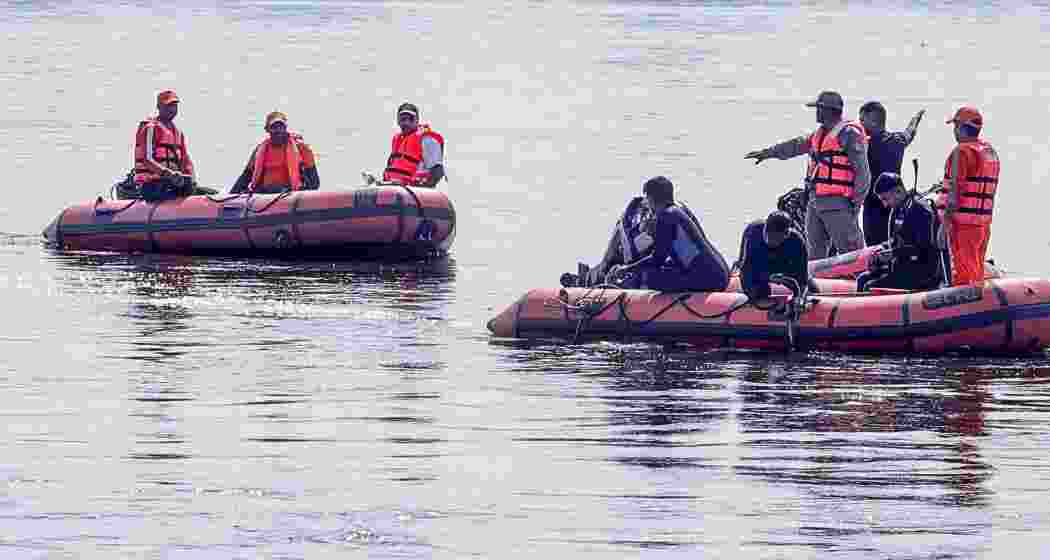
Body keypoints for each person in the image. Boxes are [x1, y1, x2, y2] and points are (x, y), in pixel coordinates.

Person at [745, 90, 871, 259]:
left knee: (851, 250)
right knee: (814, 254)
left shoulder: (849, 134)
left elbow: (863, 173)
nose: (817, 112)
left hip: (838, 203)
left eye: (819, 108)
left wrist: (855, 204)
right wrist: (768, 153)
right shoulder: (819, 135)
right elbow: (795, 146)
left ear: (830, 110)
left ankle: (860, 274)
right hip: (815, 202)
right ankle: (817, 276)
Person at [605, 177, 730, 292]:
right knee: (663, 269)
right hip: (720, 276)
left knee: (651, 277)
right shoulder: (676, 212)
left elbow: (657, 259)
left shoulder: (666, 216)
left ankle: (631, 298)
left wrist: (626, 269)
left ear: (652, 198)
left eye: (647, 198)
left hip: (709, 280)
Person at [939, 106, 999, 286]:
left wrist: (944, 226)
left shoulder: (961, 152)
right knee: (976, 271)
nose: (954, 131)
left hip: (963, 226)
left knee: (963, 275)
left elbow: (954, 196)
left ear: (960, 127)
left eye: (955, 126)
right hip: (983, 224)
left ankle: (967, 302)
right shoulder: (989, 151)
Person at [856, 172, 945, 292]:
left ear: (898, 191)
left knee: (870, 286)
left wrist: (894, 253)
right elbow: (896, 239)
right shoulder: (897, 210)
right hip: (903, 266)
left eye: (885, 199)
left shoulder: (920, 210)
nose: (885, 205)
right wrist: (882, 249)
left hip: (922, 271)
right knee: (862, 279)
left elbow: (924, 247)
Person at [859, 102, 925, 246]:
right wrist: (915, 120)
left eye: (862, 120)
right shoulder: (897, 140)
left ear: (873, 121)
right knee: (895, 246)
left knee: (875, 250)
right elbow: (910, 133)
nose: (859, 124)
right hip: (896, 205)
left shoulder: (863, 144)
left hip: (872, 208)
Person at [231, 111, 320, 194]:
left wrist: (302, 197)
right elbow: (245, 177)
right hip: (263, 196)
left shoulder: (301, 148)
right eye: (274, 127)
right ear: (267, 130)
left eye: (281, 127)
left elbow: (314, 183)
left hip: (290, 194)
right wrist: (230, 197)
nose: (278, 130)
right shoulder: (259, 150)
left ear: (285, 128)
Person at [131, 90, 197, 201]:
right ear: (159, 107)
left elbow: (186, 161)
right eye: (168, 105)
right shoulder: (151, 127)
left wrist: (192, 180)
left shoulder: (178, 132)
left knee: (199, 189)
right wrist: (169, 174)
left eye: (174, 105)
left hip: (172, 183)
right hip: (151, 184)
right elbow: (147, 159)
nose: (172, 109)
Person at [736, 211, 811, 301]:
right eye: (768, 235)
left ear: (786, 235)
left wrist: (800, 298)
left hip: (783, 266)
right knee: (758, 292)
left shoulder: (797, 241)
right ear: (764, 229)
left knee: (811, 289)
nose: (770, 241)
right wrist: (767, 278)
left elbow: (803, 278)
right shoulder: (753, 233)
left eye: (776, 238)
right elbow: (746, 270)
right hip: (760, 266)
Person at [382, 103, 445, 188]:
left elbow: (437, 170)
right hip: (394, 188)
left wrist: (423, 187)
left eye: (411, 119)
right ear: (398, 121)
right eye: (403, 119)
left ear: (417, 120)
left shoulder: (426, 139)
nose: (406, 122)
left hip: (415, 189)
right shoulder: (397, 140)